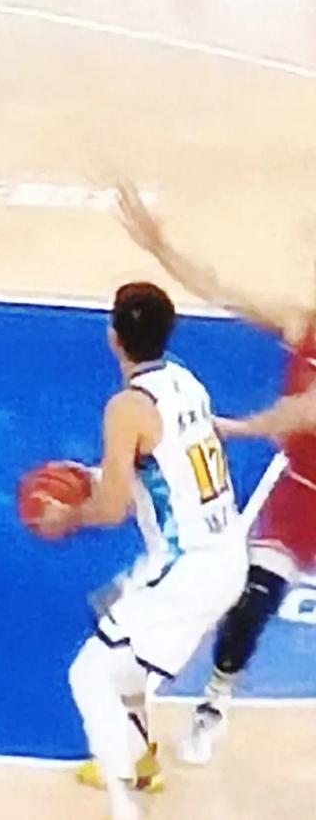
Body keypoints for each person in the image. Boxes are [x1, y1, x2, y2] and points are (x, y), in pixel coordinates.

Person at [116, 182, 316, 764]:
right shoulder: (303, 323)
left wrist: (230, 427)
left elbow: (302, 411)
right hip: (304, 492)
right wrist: (162, 248)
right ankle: (215, 701)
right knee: (252, 602)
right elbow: (221, 289)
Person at [35, 283, 247, 820]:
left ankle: (124, 804)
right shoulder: (186, 381)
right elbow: (161, 470)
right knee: (119, 633)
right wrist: (93, 475)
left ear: (113, 337)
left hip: (189, 567)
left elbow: (113, 510)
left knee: (89, 674)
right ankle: (141, 758)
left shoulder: (126, 407)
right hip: (224, 550)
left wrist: (66, 517)